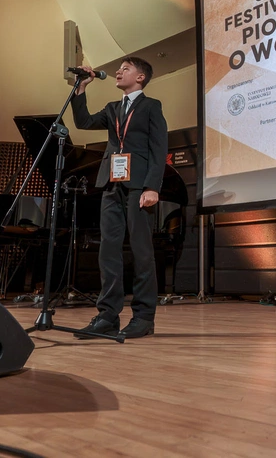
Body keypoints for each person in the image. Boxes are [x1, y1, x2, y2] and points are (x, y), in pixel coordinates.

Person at [71, 57, 168, 340]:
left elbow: (159, 148)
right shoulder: (112, 108)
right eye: (119, 68)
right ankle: (107, 316)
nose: (118, 71)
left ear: (140, 77)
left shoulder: (151, 106)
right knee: (108, 252)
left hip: (139, 187)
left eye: (126, 68)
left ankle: (144, 317)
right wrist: (81, 87)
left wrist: (152, 187)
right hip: (112, 185)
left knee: (141, 252)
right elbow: (83, 121)